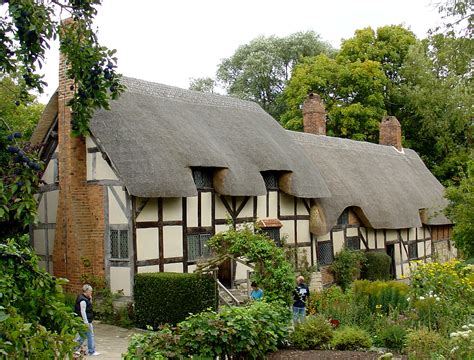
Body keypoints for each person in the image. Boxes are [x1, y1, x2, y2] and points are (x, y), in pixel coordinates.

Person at [74, 284, 100, 356]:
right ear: (87, 291)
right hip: (85, 321)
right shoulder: (83, 300)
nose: (91, 292)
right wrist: (86, 322)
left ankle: (73, 348)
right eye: (90, 291)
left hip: (84, 320)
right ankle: (91, 351)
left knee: (82, 336)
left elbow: (89, 307)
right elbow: (83, 311)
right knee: (90, 335)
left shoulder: (85, 298)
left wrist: (90, 299)